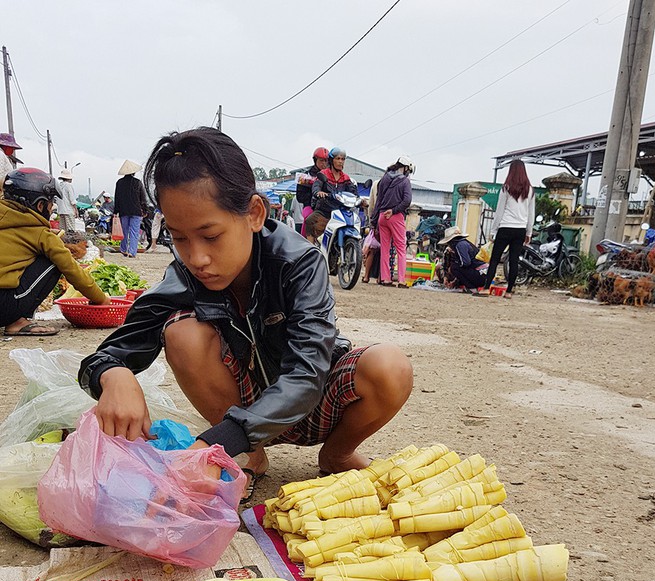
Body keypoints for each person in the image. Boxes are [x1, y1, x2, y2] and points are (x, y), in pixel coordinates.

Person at [78, 127, 413, 500]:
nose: (197, 257)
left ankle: (337, 454)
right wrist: (115, 374)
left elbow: (306, 375)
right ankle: (251, 455)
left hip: (315, 400)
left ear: (254, 213)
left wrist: (215, 441)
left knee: (390, 366)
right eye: (180, 238)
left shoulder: (299, 262)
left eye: (210, 235)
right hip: (243, 404)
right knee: (181, 333)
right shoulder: (184, 277)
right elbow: (105, 356)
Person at [0, 168, 109, 337]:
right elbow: (72, 270)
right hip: (4, 307)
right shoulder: (40, 234)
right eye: (51, 203)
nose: (52, 208)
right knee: (54, 261)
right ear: (40, 205)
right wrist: (101, 299)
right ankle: (18, 321)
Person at [481, 159, 535, 298]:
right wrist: (529, 232)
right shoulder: (530, 190)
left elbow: (499, 211)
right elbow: (531, 213)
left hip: (505, 227)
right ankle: (509, 291)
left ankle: (487, 288)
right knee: (514, 260)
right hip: (520, 230)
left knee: (495, 259)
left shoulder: (506, 188)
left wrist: (493, 231)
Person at [371, 156, 414, 288]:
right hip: (395, 216)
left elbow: (378, 201)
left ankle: (386, 279)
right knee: (401, 248)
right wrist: (394, 210)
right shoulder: (405, 181)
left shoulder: (384, 178)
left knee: (385, 248)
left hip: (382, 216)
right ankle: (401, 280)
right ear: (405, 168)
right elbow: (407, 201)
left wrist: (374, 219)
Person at [305, 147, 358, 243]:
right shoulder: (323, 174)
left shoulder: (346, 178)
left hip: (341, 212)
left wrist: (360, 200)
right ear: (331, 160)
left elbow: (353, 192)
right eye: (337, 159)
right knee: (309, 221)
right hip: (325, 211)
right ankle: (310, 250)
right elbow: (316, 186)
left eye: (342, 159)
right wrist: (318, 192)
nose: (340, 161)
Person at [114, 159, 146, 257]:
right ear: (133, 172)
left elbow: (117, 198)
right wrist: (144, 210)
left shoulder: (119, 183)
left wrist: (116, 211)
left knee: (124, 231)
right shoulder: (138, 182)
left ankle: (123, 249)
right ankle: (132, 252)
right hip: (136, 211)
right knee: (134, 232)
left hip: (124, 211)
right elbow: (143, 198)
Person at [439, 226, 486, 292]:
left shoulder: (460, 245)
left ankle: (472, 288)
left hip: (481, 275)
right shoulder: (464, 243)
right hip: (482, 274)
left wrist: (454, 267)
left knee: (454, 267)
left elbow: (466, 263)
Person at [296, 147, 328, 237]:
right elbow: (300, 196)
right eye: (321, 161)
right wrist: (314, 194)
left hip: (327, 207)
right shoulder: (306, 176)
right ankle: (305, 241)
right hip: (310, 206)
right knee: (309, 218)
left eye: (326, 161)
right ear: (315, 160)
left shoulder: (332, 175)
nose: (324, 164)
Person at [56, 169, 78, 235]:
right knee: (70, 231)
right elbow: (72, 200)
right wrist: (76, 210)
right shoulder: (68, 185)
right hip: (68, 211)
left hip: (61, 211)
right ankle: (70, 244)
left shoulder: (59, 186)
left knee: (62, 231)